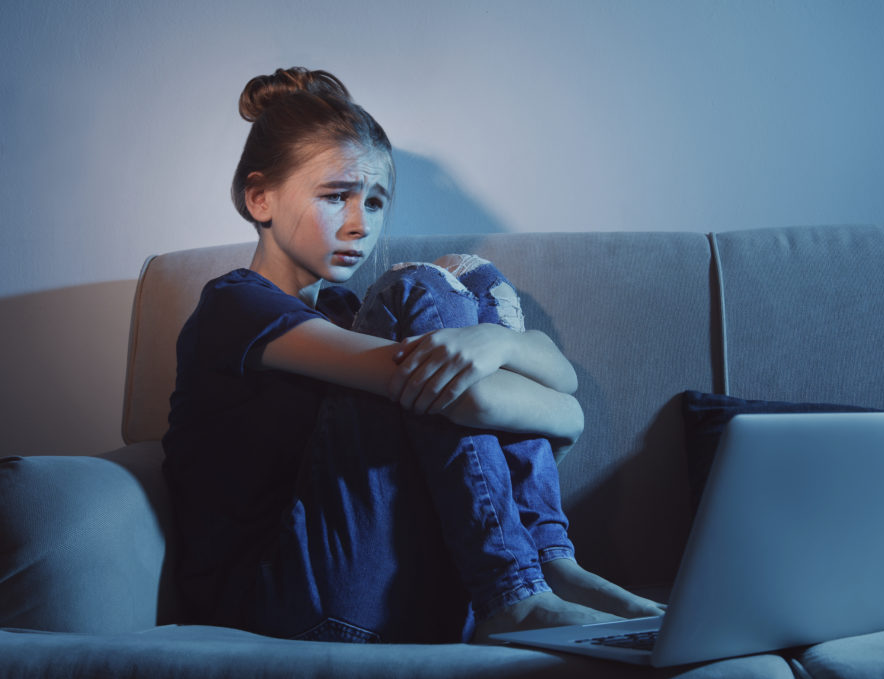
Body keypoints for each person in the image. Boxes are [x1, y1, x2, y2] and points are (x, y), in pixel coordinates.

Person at [162, 67, 661, 644]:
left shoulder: (348, 313)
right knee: (418, 286)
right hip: (282, 603)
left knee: (473, 276)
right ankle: (513, 589)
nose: (360, 224)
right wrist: (543, 403)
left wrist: (498, 341)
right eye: (336, 196)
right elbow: (511, 404)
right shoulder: (237, 307)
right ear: (260, 197)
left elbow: (563, 390)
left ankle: (548, 563)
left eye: (375, 202)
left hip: (386, 584)